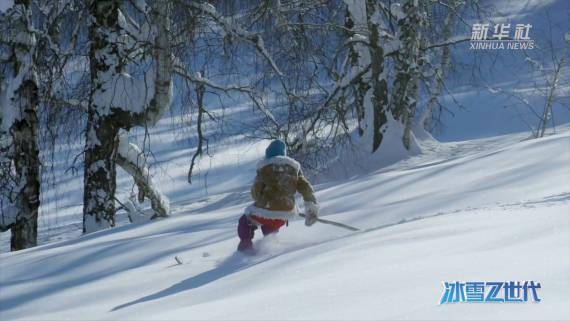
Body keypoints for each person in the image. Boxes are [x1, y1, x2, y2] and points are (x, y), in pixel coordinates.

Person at [237, 139, 319, 252]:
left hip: (267, 211)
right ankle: (270, 245)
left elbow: (255, 194)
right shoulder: (294, 170)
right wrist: (311, 207)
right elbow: (306, 188)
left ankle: (245, 246)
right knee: (270, 224)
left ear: (268, 154)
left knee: (245, 221)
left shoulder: (264, 169)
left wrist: (258, 187)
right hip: (285, 214)